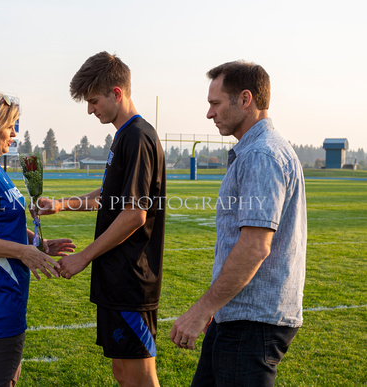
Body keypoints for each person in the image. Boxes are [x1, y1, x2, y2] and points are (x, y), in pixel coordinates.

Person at [169, 61, 307, 386]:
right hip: (237, 315)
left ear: (245, 99)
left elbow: (255, 246)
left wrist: (203, 308)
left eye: (215, 103)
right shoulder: (255, 151)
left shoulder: (262, 155)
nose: (209, 113)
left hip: (253, 321)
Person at [39, 51, 166, 387]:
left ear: (117, 93)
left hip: (131, 278)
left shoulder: (138, 136)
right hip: (115, 277)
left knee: (140, 375)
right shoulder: (123, 136)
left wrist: (83, 256)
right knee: (123, 372)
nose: (90, 109)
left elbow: (134, 214)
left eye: (93, 101)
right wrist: (61, 205)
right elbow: (109, 194)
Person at [0, 92, 75, 386]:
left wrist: (39, 244)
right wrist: (23, 252)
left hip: (6, 293)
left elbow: (1, 223)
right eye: (10, 126)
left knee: (8, 377)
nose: (14, 134)